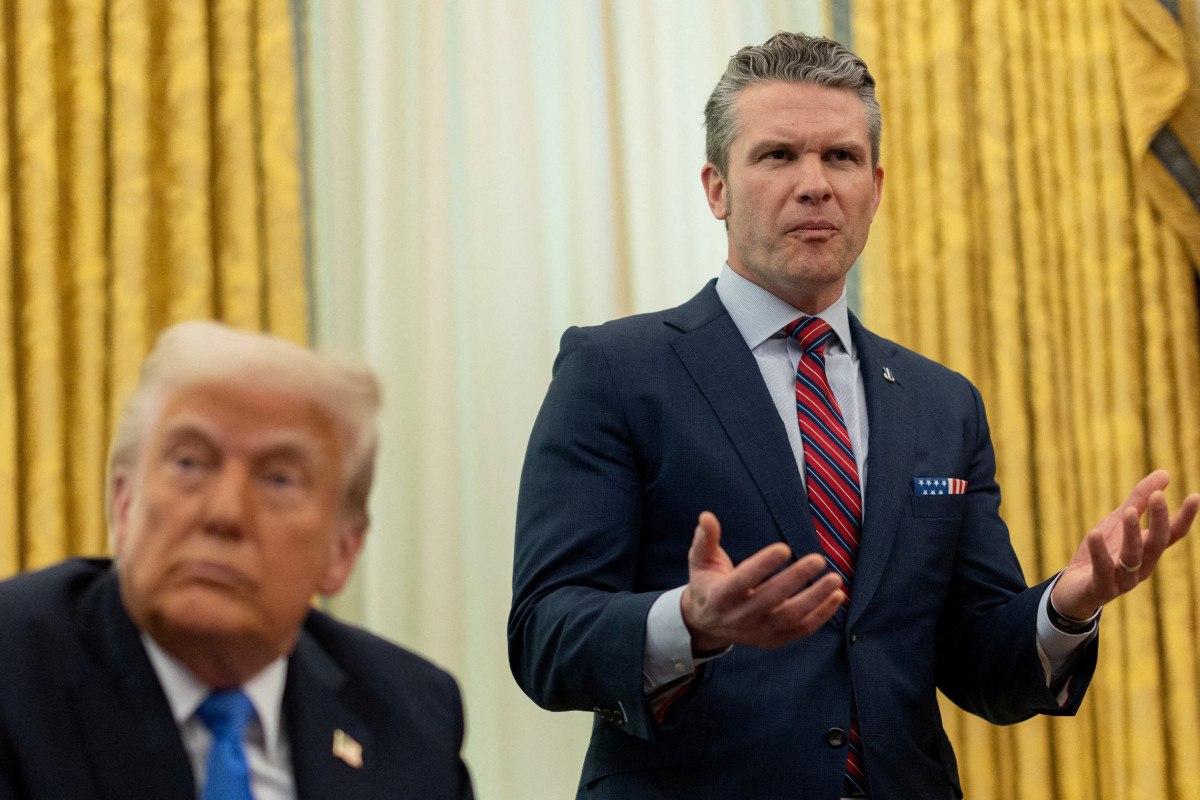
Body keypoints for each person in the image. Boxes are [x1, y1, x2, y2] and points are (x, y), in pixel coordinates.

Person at [508, 32, 1200, 800]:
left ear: (874, 187)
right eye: (778, 156)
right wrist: (690, 622)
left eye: (840, 157)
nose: (814, 185)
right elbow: (545, 632)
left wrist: (1066, 606)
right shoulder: (615, 370)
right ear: (716, 188)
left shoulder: (942, 403)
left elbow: (978, 661)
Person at [0, 321, 474, 800]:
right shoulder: (14, 672)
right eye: (189, 462)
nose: (226, 513)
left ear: (342, 550)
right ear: (123, 506)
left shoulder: (411, 721)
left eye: (279, 480)